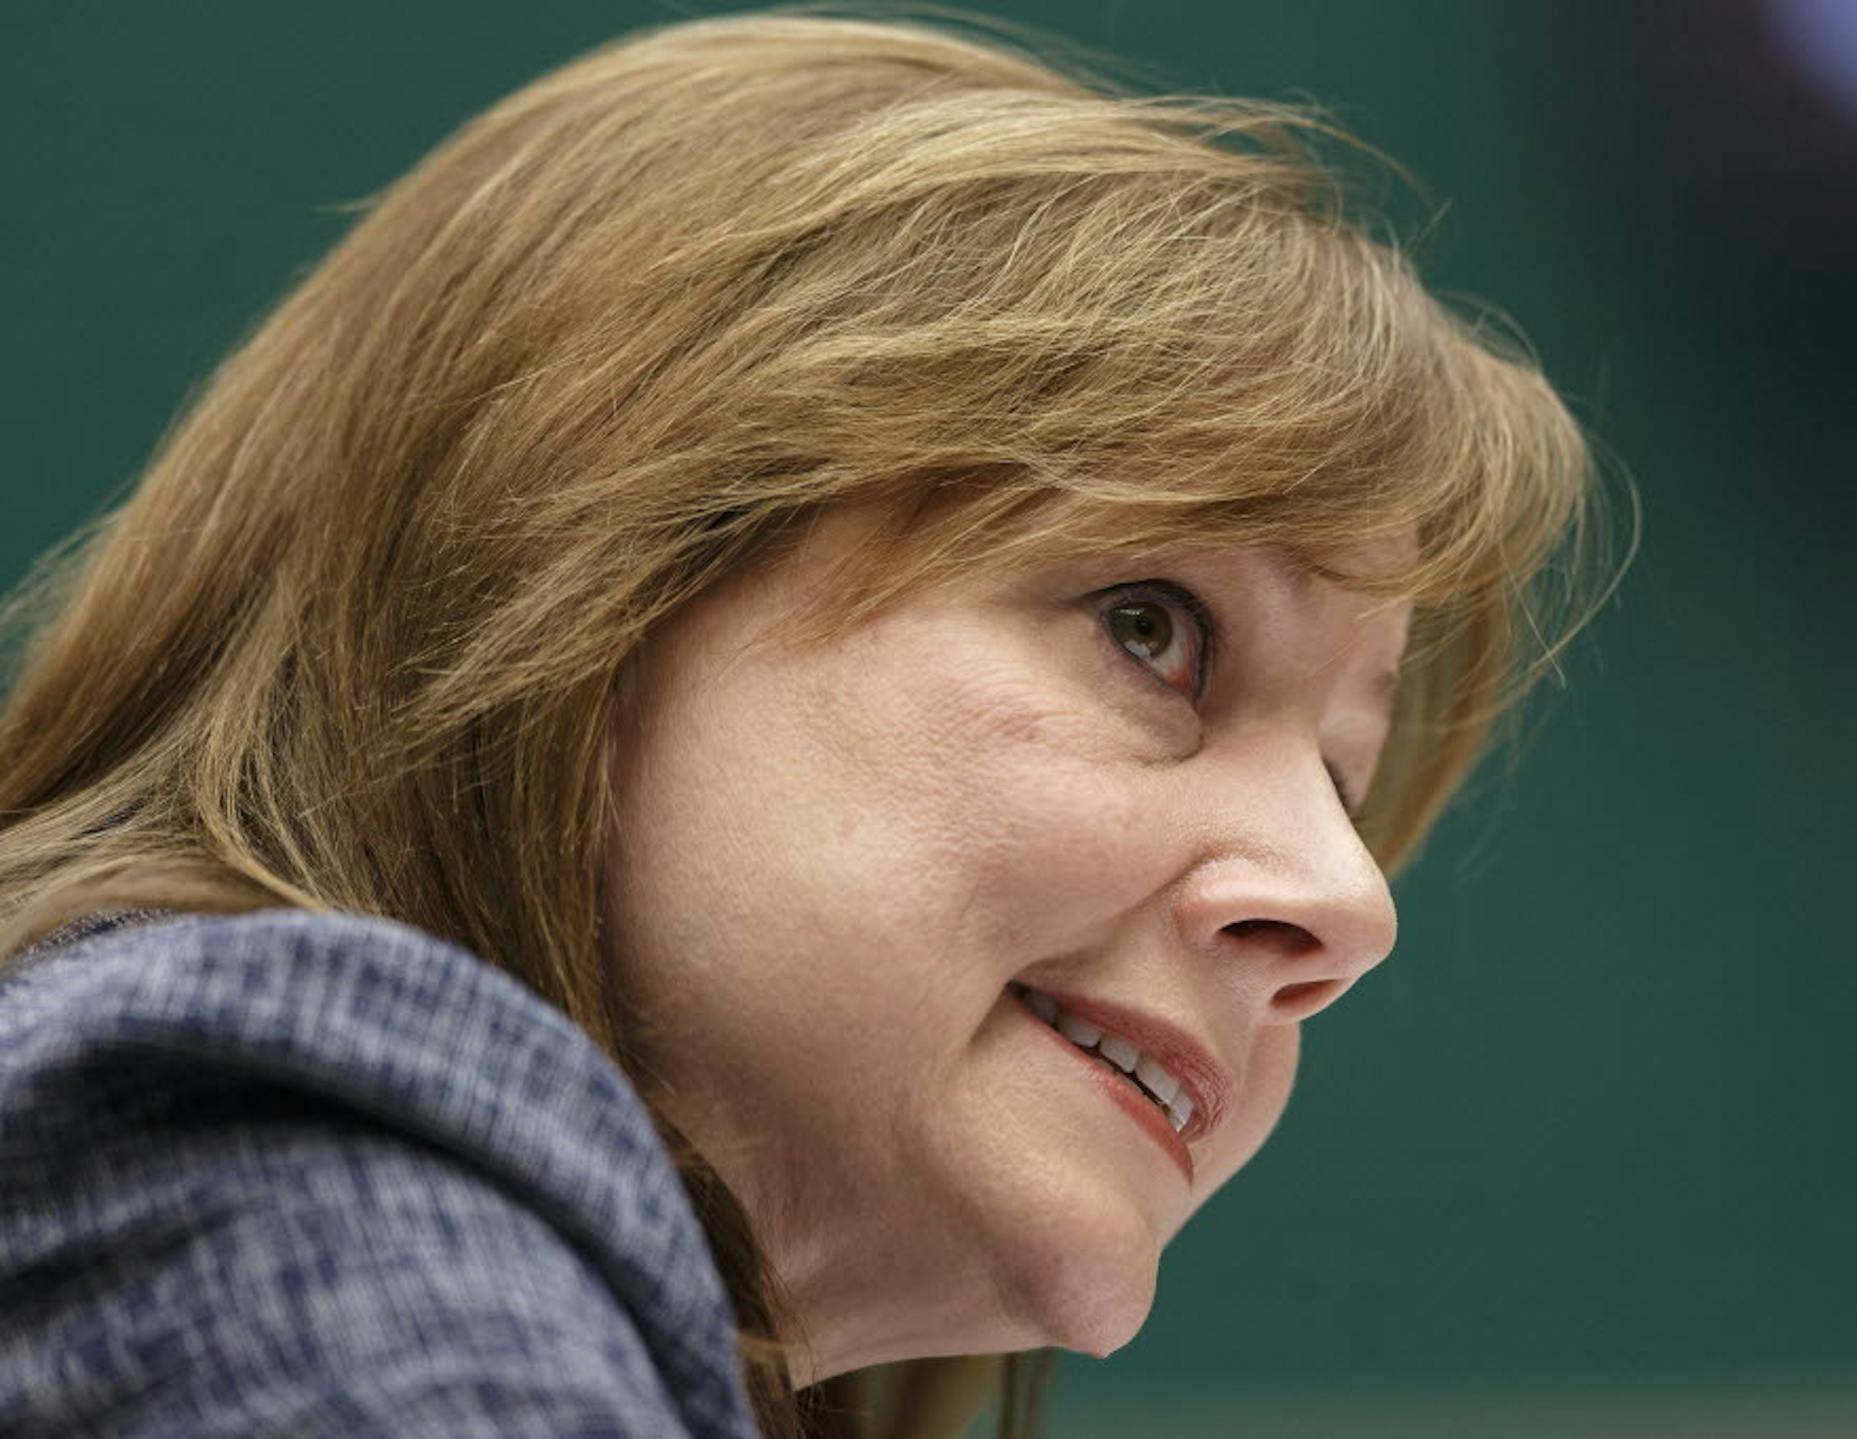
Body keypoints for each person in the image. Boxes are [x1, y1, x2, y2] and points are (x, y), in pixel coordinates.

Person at [0, 6, 1621, 1437]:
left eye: (1342, 777)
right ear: (592, 565)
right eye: (1154, 632)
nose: (1346, 903)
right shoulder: (262, 1123)